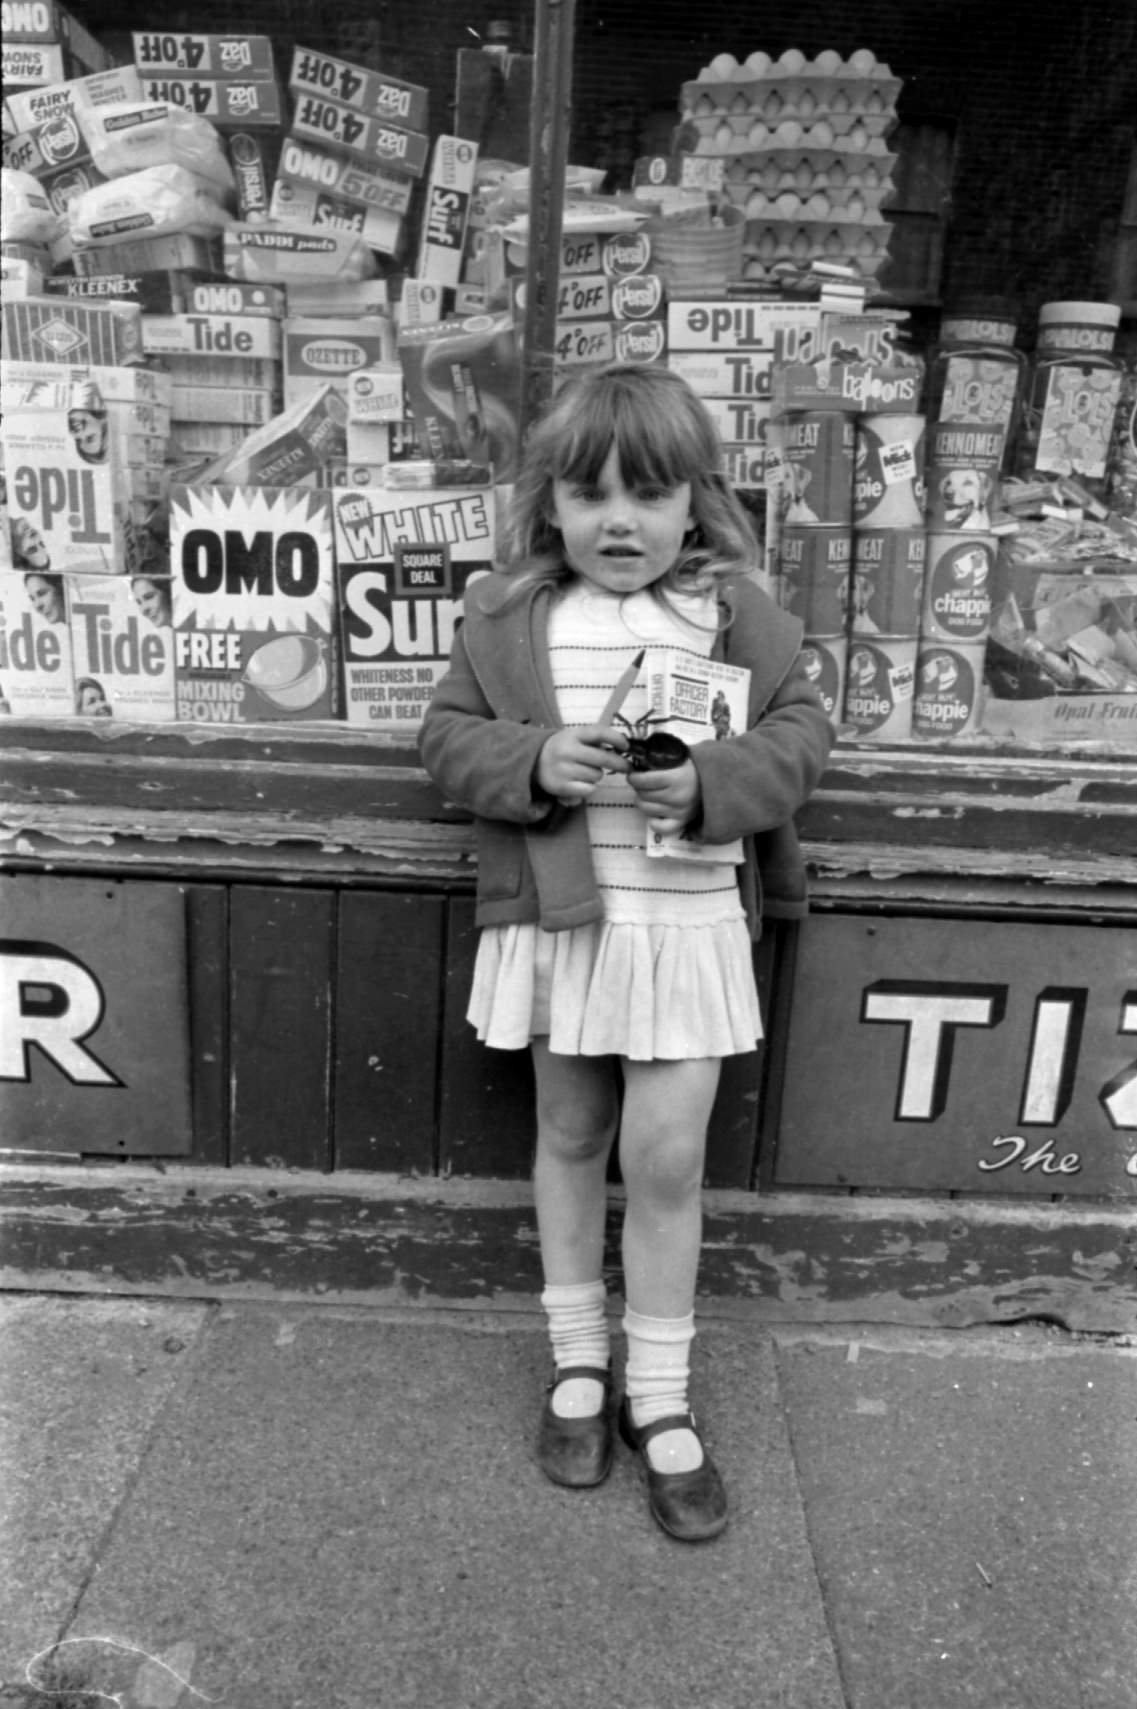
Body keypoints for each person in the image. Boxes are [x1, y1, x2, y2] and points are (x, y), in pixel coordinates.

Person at [419, 363, 833, 1543]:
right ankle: (577, 1358)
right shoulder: (513, 616)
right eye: (590, 493)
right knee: (569, 1132)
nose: (618, 520)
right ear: (548, 502)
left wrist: (711, 777)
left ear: (695, 503)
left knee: (663, 1159)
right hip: (570, 921)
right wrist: (533, 759)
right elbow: (446, 736)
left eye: (649, 495)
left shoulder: (737, 618)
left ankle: (660, 1387)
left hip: (687, 927)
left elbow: (804, 734)